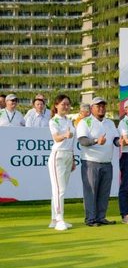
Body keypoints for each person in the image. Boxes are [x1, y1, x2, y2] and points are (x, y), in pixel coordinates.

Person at [76, 97, 120, 226]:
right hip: (90, 162)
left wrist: (120, 142)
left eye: (103, 106)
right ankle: (90, 219)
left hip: (107, 162)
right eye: (98, 106)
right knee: (91, 192)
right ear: (91, 108)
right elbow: (83, 141)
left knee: (104, 192)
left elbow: (115, 139)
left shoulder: (110, 123)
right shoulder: (85, 122)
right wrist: (96, 141)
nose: (101, 108)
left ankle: (101, 217)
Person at [48, 95, 76, 231]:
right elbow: (56, 138)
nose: (66, 106)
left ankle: (54, 220)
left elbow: (72, 142)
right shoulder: (54, 121)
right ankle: (59, 219)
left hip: (68, 155)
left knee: (59, 189)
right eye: (63, 104)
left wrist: (73, 159)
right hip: (58, 156)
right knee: (60, 189)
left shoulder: (69, 121)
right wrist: (65, 135)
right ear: (56, 105)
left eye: (68, 104)